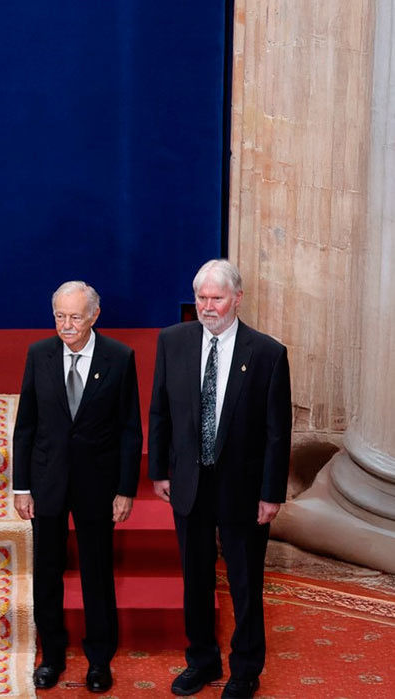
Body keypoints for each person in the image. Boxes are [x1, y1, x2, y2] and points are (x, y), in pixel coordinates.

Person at [148, 259, 291, 699]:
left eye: (217, 298)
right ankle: (202, 661)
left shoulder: (267, 353)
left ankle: (245, 670)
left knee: (245, 584)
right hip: (189, 483)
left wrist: (271, 493)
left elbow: (276, 431)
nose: (208, 307)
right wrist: (158, 472)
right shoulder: (173, 341)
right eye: (202, 298)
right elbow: (160, 411)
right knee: (195, 580)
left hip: (244, 491)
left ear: (237, 299)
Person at [11, 281, 142, 694]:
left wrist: (125, 489)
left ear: (94, 316)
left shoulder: (119, 358)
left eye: (74, 317)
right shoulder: (39, 354)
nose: (66, 326)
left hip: (97, 486)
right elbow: (26, 424)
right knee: (47, 574)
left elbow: (129, 430)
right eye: (59, 317)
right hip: (47, 482)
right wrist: (21, 487)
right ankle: (51, 656)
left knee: (96, 575)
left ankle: (99, 660)